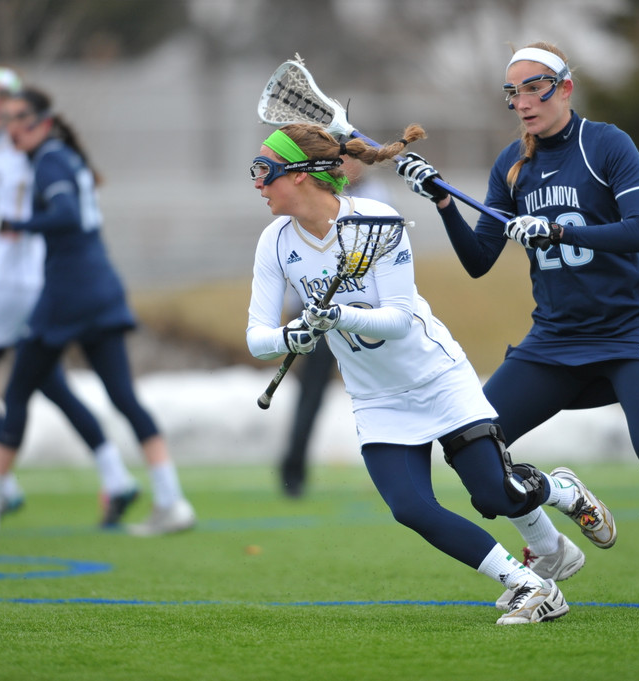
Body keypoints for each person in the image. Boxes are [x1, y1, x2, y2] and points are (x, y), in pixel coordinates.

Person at [394, 41, 639, 612]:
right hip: (555, 340)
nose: (523, 101)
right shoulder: (513, 163)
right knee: (470, 447)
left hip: (630, 330)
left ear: (564, 86)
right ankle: (550, 539)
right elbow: (480, 261)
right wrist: (442, 203)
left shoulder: (606, 144)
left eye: (534, 86)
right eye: (513, 92)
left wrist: (559, 233)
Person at [246, 122, 617, 625]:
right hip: (377, 398)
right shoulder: (273, 242)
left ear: (302, 176)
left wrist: (337, 316)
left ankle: (562, 492)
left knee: (494, 495)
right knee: (410, 507)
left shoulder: (376, 221)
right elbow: (257, 336)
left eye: (264, 170)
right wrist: (295, 335)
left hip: (437, 377)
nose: (257, 182)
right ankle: (529, 585)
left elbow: (398, 319)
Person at [0, 87, 194, 538]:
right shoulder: (59, 157)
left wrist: (10, 224)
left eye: (20, 118)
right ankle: (171, 500)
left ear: (44, 122)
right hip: (99, 287)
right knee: (121, 397)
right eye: (6, 118)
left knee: (16, 395)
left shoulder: (50, 159)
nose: (12, 127)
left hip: (67, 295)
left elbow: (66, 214)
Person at [277, 156, 392, 498]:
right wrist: (294, 308)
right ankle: (293, 470)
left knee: (384, 390)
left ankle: (393, 466)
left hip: (364, 314)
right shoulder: (315, 198)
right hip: (320, 316)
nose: (346, 169)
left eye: (352, 161)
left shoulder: (376, 197)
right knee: (310, 393)